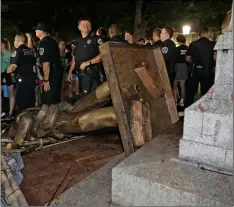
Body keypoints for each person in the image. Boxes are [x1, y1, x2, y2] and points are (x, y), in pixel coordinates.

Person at [67, 17, 104, 96]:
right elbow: (74, 58)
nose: (86, 26)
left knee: (94, 97)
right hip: (80, 75)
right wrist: (70, 72)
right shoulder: (76, 41)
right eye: (83, 24)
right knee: (83, 98)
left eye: (88, 24)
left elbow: (103, 55)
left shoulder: (96, 39)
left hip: (93, 74)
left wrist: (88, 63)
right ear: (79, 27)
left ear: (90, 27)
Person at [185, 27, 216, 107]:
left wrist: (194, 63)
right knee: (206, 94)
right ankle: (205, 110)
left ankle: (187, 109)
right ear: (207, 33)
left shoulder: (193, 44)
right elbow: (215, 58)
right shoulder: (213, 44)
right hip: (207, 71)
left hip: (194, 71)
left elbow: (187, 58)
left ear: (200, 34)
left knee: (190, 93)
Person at [33, 23, 63, 105]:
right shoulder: (52, 41)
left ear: (41, 31)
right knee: (55, 100)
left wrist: (46, 80)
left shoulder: (44, 43)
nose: (35, 31)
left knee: (48, 103)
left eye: (37, 29)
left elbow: (46, 63)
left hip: (51, 76)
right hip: (55, 74)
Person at [7, 33, 36, 112]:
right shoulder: (31, 51)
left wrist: (6, 71)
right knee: (31, 103)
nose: (14, 42)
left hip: (22, 82)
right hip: (32, 81)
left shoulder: (17, 51)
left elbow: (13, 67)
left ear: (18, 40)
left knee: (21, 104)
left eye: (14, 40)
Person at [173, 34, 188, 107]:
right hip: (184, 67)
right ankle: (182, 101)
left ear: (178, 41)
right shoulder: (188, 48)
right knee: (182, 86)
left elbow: (174, 59)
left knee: (174, 85)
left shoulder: (176, 49)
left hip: (177, 67)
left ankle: (175, 101)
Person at [1, 38, 15, 119]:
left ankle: (10, 113)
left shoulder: (10, 54)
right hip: (1, 75)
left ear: (3, 45)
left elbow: (12, 66)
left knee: (11, 95)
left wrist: (6, 77)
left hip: (8, 75)